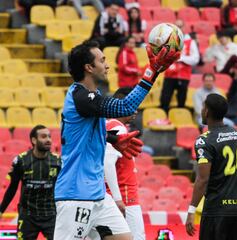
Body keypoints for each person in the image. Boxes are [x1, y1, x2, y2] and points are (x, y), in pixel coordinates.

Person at [53, 40, 179, 240]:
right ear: (89, 68)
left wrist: (112, 140)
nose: (107, 65)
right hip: (75, 195)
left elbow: (89, 132)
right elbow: (125, 107)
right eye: (102, 60)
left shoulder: (92, 96)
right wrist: (152, 70)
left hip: (99, 195)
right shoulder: (80, 97)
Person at [185, 93, 237, 240]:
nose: (202, 110)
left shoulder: (204, 141)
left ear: (207, 111)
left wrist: (192, 210)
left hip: (216, 209)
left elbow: (202, 180)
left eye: (203, 107)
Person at [0, 125, 61, 240]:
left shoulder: (58, 161)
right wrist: (1, 210)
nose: (48, 140)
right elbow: (12, 188)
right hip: (28, 216)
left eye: (49, 136)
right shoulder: (21, 161)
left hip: (51, 215)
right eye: (43, 136)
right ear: (34, 140)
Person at [103, 88, 145, 240]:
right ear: (121, 105)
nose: (135, 110)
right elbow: (108, 162)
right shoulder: (118, 128)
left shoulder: (107, 126)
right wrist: (117, 198)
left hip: (112, 195)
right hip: (126, 195)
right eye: (132, 105)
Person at [160, 19, 200, 112]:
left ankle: (180, 120)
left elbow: (195, 59)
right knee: (165, 99)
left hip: (184, 75)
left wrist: (181, 58)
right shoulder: (168, 41)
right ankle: (163, 120)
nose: (178, 28)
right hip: (170, 74)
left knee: (181, 101)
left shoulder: (190, 41)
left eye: (180, 26)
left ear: (184, 27)